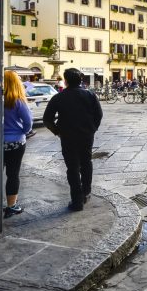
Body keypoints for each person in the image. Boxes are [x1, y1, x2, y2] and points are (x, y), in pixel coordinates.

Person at [43, 68, 103, 211]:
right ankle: (86, 193)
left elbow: (47, 119)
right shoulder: (90, 95)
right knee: (86, 163)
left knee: (72, 168)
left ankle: (76, 201)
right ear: (81, 80)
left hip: (68, 137)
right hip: (86, 136)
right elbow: (99, 115)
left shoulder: (58, 97)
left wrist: (58, 131)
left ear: (66, 81)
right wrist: (92, 129)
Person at [0, 70, 32, 218]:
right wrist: (22, 132)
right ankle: (12, 207)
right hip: (15, 143)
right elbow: (28, 123)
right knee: (13, 174)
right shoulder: (17, 100)